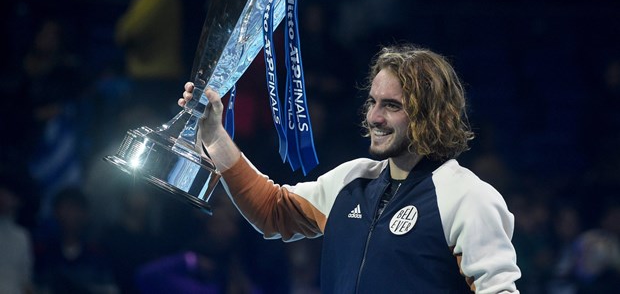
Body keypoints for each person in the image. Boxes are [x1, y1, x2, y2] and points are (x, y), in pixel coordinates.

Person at [178, 42, 521, 293]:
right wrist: (214, 136)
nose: (374, 116)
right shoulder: (352, 179)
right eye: (373, 102)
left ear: (429, 114)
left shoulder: (467, 198)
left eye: (391, 106)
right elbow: (272, 210)